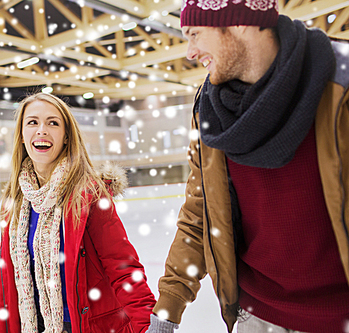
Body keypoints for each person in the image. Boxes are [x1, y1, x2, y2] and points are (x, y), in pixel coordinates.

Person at [147, 1, 349, 332]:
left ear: (240, 22)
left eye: (196, 34)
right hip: (258, 317)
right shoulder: (210, 110)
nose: (190, 52)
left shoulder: (339, 82)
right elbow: (201, 214)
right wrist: (169, 305)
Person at [0, 92, 156, 333]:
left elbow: (122, 268)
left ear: (66, 137)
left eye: (53, 123)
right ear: (22, 135)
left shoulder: (88, 195)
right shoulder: (17, 201)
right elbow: (4, 276)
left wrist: (146, 325)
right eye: (33, 122)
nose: (41, 130)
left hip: (81, 326)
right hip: (31, 324)